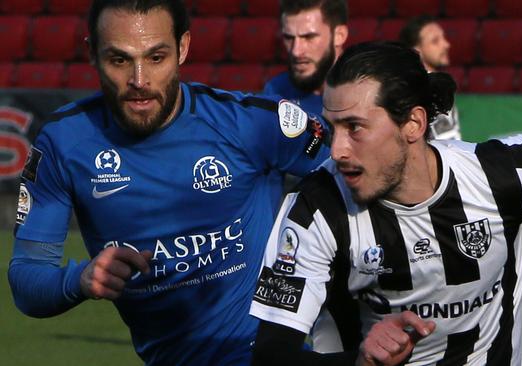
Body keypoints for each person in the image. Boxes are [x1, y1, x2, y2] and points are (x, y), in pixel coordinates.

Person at [249, 41, 522, 365]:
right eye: (333, 127)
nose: (336, 150)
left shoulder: (497, 175)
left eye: (355, 127)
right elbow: (272, 356)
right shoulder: (315, 211)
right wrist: (357, 361)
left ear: (414, 125)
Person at [7, 1, 329, 365]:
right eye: (119, 60)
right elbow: (27, 279)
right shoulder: (64, 144)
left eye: (156, 58)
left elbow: (365, 170)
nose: (139, 80)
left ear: (183, 48)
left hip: (265, 356)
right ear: (92, 54)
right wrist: (80, 279)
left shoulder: (251, 124)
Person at [263, 0, 349, 115]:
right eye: (289, 38)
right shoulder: (276, 91)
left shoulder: (365, 94)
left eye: (309, 37)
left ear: (339, 36)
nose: (296, 52)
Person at [399, 15, 461, 141]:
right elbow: (447, 144)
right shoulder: (429, 90)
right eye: (435, 41)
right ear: (417, 51)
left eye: (443, 38)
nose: (446, 44)